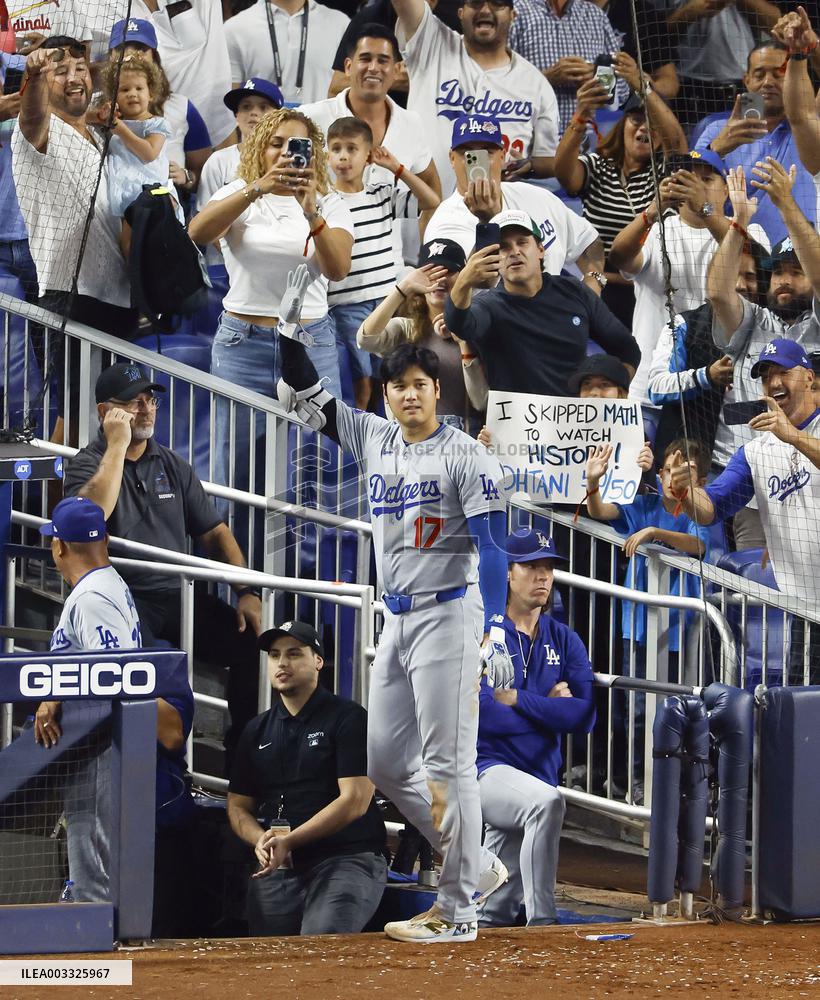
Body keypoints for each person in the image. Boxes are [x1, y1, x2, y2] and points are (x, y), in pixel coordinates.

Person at [274, 297, 512, 943]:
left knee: (448, 763)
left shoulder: (466, 454)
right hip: (398, 620)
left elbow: (493, 547)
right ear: (386, 396)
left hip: (449, 615)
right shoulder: (373, 434)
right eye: (398, 386)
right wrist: (290, 331)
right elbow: (310, 394)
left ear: (438, 390)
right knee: (382, 761)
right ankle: (476, 866)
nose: (409, 395)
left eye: (420, 385)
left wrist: (495, 628)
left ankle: (458, 910)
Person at [62, 363, 263, 764]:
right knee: (154, 675)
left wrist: (246, 591)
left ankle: (242, 767)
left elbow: (214, 532)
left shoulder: (172, 464)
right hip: (124, 601)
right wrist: (116, 446)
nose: (147, 408)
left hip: (177, 595)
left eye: (151, 399)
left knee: (252, 645)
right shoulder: (88, 464)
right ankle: (168, 776)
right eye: (135, 401)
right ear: (106, 412)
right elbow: (91, 515)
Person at [33, 496, 196, 935]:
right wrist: (54, 695)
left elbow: (118, 680)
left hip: (103, 746)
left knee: (97, 881)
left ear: (59, 548)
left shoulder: (92, 599)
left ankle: (100, 965)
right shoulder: (108, 582)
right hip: (101, 744)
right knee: (93, 868)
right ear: (102, 539)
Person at [227, 620, 388, 935]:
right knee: (269, 963)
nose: (282, 663)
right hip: (280, 864)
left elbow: (355, 799)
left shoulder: (349, 718)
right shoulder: (256, 729)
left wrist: (290, 839)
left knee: (319, 952)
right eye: (274, 655)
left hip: (346, 857)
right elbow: (237, 806)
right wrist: (259, 838)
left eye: (294, 654)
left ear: (318, 661)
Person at [189, 108, 351, 403]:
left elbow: (338, 269)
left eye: (296, 145)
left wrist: (311, 213)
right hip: (243, 343)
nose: (285, 153)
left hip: (310, 340)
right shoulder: (239, 192)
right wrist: (259, 187)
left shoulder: (330, 202)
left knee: (317, 446)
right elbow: (197, 233)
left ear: (312, 153)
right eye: (276, 144)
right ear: (260, 148)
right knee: (235, 447)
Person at [476, 528, 595, 927]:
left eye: (548, 568)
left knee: (492, 912)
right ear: (507, 574)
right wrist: (549, 709)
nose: (542, 576)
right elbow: (483, 716)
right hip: (488, 769)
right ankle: (544, 923)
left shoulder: (564, 638)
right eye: (531, 567)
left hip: (538, 773)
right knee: (545, 803)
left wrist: (521, 700)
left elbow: (584, 716)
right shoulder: (486, 636)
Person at [585, 437, 713, 801]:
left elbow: (700, 545)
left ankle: (680, 786)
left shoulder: (701, 512)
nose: (675, 478)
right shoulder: (644, 504)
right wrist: (593, 482)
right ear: (658, 475)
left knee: (682, 710)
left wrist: (655, 534)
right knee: (636, 709)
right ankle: (638, 781)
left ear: (700, 480)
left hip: (681, 632)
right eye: (670, 470)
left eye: (685, 472)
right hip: (637, 627)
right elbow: (599, 511)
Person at [608, 149, 769, 436]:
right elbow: (620, 258)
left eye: (706, 179)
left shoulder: (747, 229)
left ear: (727, 191)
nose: (695, 186)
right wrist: (651, 210)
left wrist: (705, 209)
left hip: (718, 391)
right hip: (651, 388)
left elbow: (752, 260)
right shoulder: (659, 231)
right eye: (687, 179)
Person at [706, 159, 820, 548]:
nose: (785, 280)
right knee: (758, 597)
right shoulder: (753, 321)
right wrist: (737, 222)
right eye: (778, 272)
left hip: (817, 478)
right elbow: (718, 293)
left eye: (796, 271)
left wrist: (787, 204)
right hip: (758, 487)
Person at [670, 338, 820, 606]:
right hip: (801, 605)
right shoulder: (754, 452)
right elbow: (711, 510)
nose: (774, 383)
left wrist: (794, 437)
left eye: (783, 372)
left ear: (809, 378)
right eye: (766, 376)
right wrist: (688, 492)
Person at [11, 37, 136, 341]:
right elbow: (32, 113)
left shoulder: (102, 135)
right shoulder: (37, 133)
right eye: (60, 71)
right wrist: (35, 74)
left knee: (122, 390)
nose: (73, 78)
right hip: (67, 295)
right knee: (74, 390)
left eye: (80, 68)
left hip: (120, 295)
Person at [444, 210, 641, 396]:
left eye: (522, 242)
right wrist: (464, 281)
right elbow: (459, 325)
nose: (514, 252)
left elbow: (627, 349)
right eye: (503, 247)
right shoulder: (488, 305)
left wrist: (617, 393)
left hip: (576, 426)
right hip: (515, 426)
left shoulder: (573, 291)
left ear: (540, 250)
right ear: (495, 258)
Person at [297, 24, 441, 259]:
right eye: (365, 58)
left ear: (396, 71)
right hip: (321, 267)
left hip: (386, 273)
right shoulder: (310, 119)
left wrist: (428, 256)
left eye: (383, 60)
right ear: (348, 66)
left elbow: (433, 195)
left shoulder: (411, 123)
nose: (374, 67)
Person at [326, 116, 440, 408]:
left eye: (352, 149)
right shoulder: (323, 201)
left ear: (368, 156)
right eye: (336, 148)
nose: (343, 156)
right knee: (361, 384)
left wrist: (397, 168)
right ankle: (358, 448)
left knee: (389, 377)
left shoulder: (382, 194)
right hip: (346, 304)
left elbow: (431, 202)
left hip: (387, 299)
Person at [391, 0, 560, 192]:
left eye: (497, 4)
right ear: (461, 12)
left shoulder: (536, 83)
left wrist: (528, 167)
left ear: (513, 15)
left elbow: (549, 159)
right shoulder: (431, 43)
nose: (486, 9)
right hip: (425, 207)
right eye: (476, 2)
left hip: (500, 211)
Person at [555, 82, 687, 326]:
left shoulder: (662, 173)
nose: (644, 126)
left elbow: (678, 146)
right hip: (600, 285)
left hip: (650, 289)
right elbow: (564, 173)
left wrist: (643, 86)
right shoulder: (598, 166)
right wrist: (581, 115)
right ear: (622, 124)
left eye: (653, 123)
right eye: (636, 119)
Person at [425, 114, 604, 291]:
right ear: (452, 159)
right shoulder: (445, 224)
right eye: (467, 153)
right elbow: (483, 283)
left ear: (502, 156)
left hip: (553, 316)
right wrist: (488, 222)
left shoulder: (536, 197)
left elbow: (588, 241)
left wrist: (592, 287)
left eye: (487, 152)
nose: (478, 162)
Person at [647, 241, 765, 459]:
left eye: (750, 276)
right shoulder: (684, 325)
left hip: (759, 465)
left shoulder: (771, 329)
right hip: (700, 468)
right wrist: (706, 376)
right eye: (732, 276)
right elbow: (657, 388)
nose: (740, 285)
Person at [693, 42, 816, 245]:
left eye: (778, 74)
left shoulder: (809, 129)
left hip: (803, 258)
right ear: (747, 80)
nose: (768, 82)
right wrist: (717, 149)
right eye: (759, 75)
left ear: (794, 79)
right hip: (738, 255)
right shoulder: (716, 130)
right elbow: (690, 194)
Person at [357, 237, 484, 429]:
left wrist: (463, 341)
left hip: (463, 440)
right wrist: (403, 288)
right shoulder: (406, 329)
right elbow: (366, 340)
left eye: (448, 271)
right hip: (412, 438)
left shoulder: (477, 326)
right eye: (430, 271)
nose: (439, 279)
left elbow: (481, 401)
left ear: (462, 278)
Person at [106, 18, 213, 201]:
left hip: (163, 206)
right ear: (110, 57)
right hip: (110, 210)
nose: (132, 55)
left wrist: (187, 177)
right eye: (123, 49)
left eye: (141, 49)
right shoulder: (97, 109)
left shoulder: (181, 106)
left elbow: (206, 175)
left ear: (154, 57)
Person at [507, 0, 628, 136]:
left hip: (587, 142)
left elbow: (623, 91)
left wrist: (598, 76)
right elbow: (496, 87)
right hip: (533, 140)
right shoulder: (514, 13)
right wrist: (546, 79)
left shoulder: (596, 16)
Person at [663, 0, 782, 128]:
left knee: (755, 141)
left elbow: (777, 25)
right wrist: (689, 12)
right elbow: (652, 34)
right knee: (696, 147)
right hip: (691, 93)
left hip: (747, 89)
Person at [99, 57, 178, 248]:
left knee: (144, 247)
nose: (132, 94)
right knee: (125, 247)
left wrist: (120, 130)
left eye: (139, 88)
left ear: (151, 93)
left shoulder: (157, 124)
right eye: (124, 89)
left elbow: (149, 153)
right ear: (114, 96)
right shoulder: (113, 122)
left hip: (149, 197)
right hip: (120, 198)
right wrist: (104, 116)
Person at [224, 0, 350, 105]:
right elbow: (227, 110)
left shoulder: (340, 24)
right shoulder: (235, 29)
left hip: (322, 131)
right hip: (260, 133)